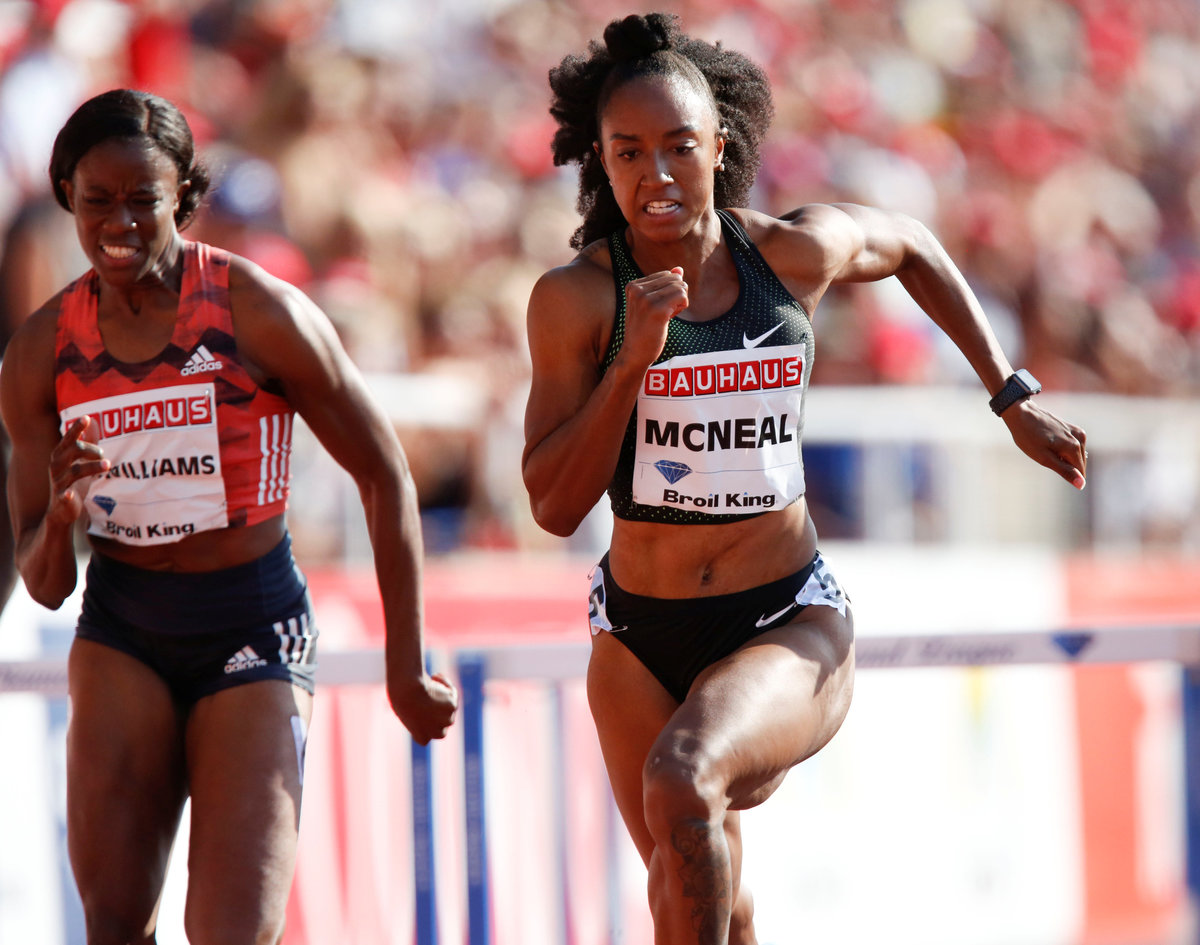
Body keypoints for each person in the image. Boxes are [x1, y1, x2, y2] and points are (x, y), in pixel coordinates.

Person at [522, 13, 1087, 945]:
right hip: (635, 633)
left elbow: (911, 241)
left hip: (784, 616)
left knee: (683, 776)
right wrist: (630, 366)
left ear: (721, 147)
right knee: (703, 892)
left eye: (679, 147)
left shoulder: (789, 255)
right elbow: (551, 505)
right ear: (601, 162)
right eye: (628, 153)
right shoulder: (576, 299)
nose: (656, 174)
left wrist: (1010, 394)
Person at [0, 89, 458, 945]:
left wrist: (405, 666)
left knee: (234, 930)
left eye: (143, 199)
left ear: (182, 194)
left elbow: (384, 473)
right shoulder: (39, 353)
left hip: (251, 620)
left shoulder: (256, 308)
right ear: (67, 196)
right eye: (98, 200)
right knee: (113, 926)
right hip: (124, 627)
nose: (119, 223)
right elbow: (47, 583)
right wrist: (60, 517)